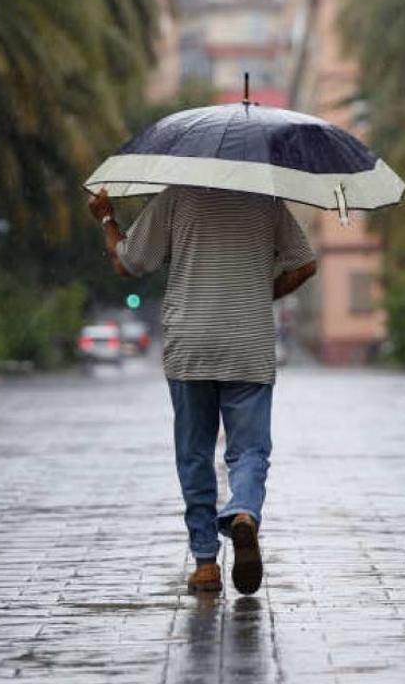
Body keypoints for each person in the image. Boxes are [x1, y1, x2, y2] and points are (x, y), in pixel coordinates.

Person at [87, 185, 317, 595]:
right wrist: (261, 293)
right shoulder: (265, 201)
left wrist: (106, 218)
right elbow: (304, 264)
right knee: (249, 450)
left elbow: (129, 263)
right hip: (248, 343)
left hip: (190, 343)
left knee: (194, 452)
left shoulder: (175, 198)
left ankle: (206, 563)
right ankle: (243, 511)